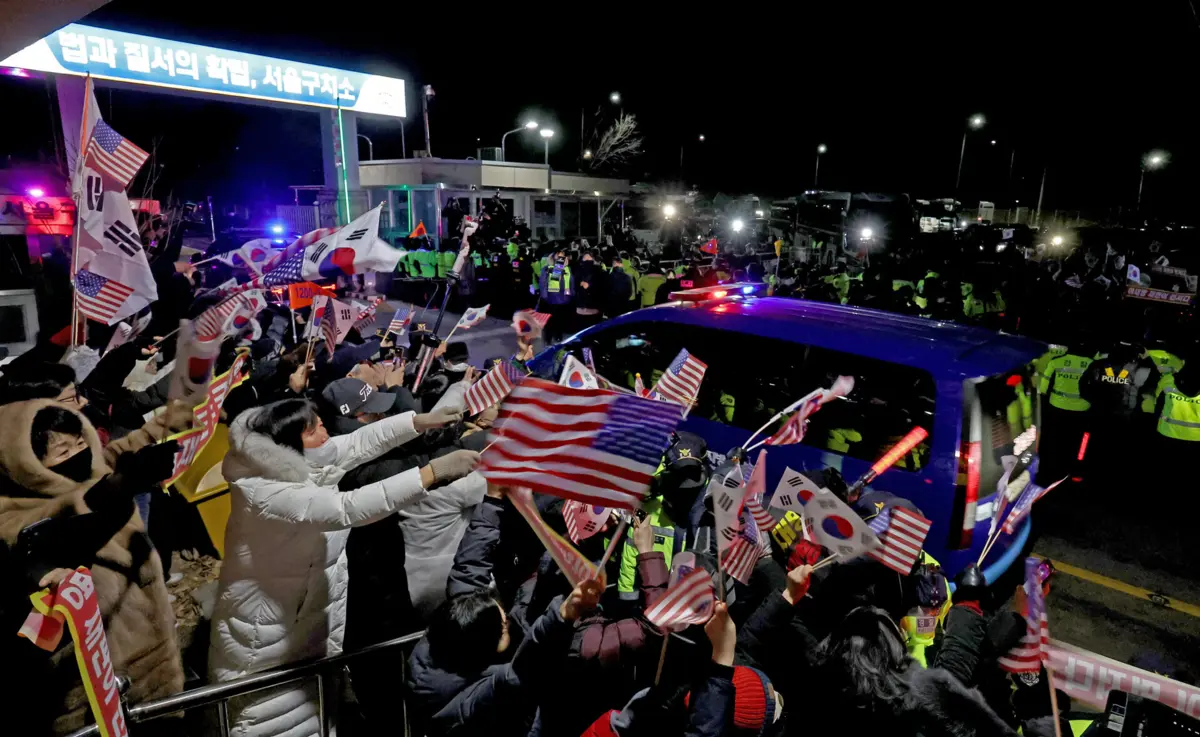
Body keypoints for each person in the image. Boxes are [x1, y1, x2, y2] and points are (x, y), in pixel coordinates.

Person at [207, 399, 480, 737]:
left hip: (302, 626)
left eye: (321, 422)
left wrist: (419, 422)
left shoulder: (294, 462)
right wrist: (432, 473)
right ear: (289, 444)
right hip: (265, 640)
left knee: (316, 712)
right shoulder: (264, 491)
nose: (325, 431)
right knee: (267, 720)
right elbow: (346, 508)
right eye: (314, 429)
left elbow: (358, 442)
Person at [0, 400, 184, 735]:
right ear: (26, 464)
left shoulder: (92, 477)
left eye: (81, 442)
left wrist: (168, 425)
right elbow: (72, 521)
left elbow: (114, 458)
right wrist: (125, 483)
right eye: (63, 450)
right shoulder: (13, 517)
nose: (80, 453)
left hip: (156, 671)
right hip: (98, 697)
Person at [407, 575, 602, 737]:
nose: (508, 622)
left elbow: (468, 568)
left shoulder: (446, 633)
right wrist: (562, 615)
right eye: (503, 626)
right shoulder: (474, 700)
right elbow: (516, 676)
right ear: (483, 647)